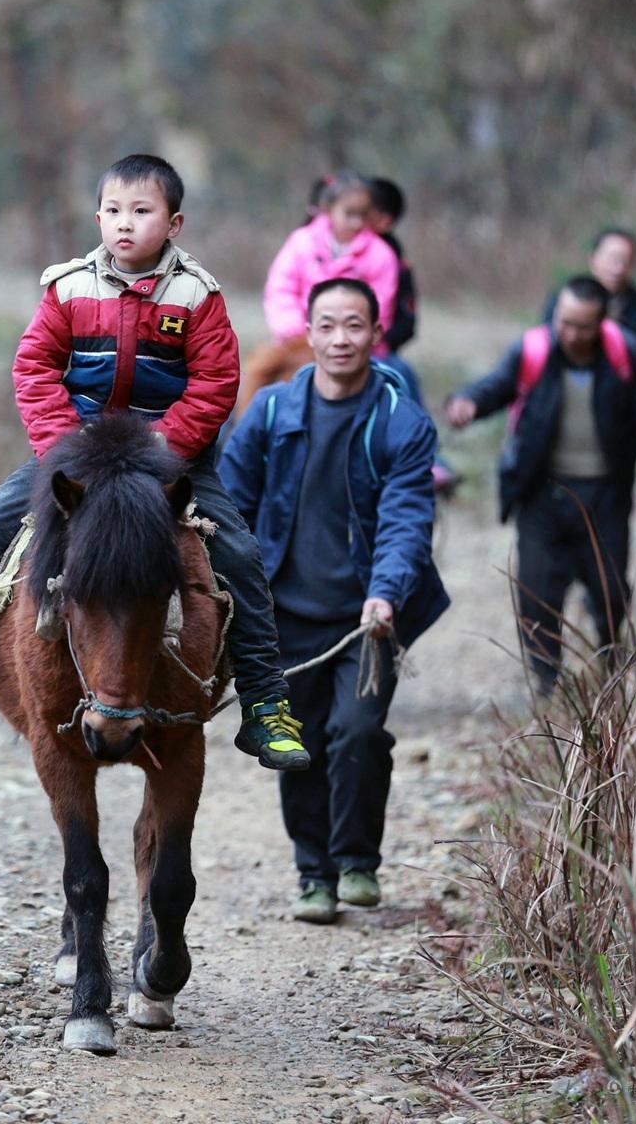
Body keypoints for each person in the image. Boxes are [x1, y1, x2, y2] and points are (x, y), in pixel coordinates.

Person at [0, 153, 310, 773]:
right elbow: (34, 369)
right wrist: (62, 446)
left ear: (175, 222)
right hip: (78, 453)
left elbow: (216, 381)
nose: (125, 224)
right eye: (113, 211)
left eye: (142, 211)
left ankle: (267, 701)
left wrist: (165, 448)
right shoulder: (68, 287)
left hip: (168, 460)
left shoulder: (198, 296)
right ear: (98, 217)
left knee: (237, 551)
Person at [219, 277, 449, 923]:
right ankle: (312, 875)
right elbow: (231, 505)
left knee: (356, 732)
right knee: (296, 744)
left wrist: (384, 594)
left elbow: (407, 519)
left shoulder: (400, 420)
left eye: (354, 325)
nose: (340, 338)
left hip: (367, 620)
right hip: (283, 618)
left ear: (375, 335)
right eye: (328, 324)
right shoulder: (268, 412)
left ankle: (355, 863)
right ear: (308, 332)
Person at [446, 275, 636, 691]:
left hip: (605, 495)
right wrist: (469, 403)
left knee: (609, 591)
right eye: (563, 322)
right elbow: (498, 386)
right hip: (542, 494)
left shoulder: (628, 354)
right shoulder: (533, 349)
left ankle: (609, 664)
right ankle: (547, 682)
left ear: (602, 322)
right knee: (536, 595)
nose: (570, 334)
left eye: (582, 326)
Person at [542, 227, 636, 445]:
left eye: (626, 261)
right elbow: (543, 353)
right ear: (593, 259)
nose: (618, 268)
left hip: (626, 418)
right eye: (612, 259)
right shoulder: (564, 304)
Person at [263, 171, 399, 351]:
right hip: (298, 344)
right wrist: (296, 332)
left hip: (358, 349)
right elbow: (281, 289)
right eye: (350, 214)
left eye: (363, 215)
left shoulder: (381, 254)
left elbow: (382, 305)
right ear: (328, 209)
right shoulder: (302, 242)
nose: (357, 222)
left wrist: (354, 336)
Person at [366, 177, 418, 352]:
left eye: (361, 212)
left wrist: (374, 342)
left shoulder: (398, 266)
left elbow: (406, 327)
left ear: (384, 221)